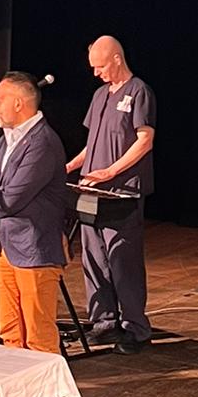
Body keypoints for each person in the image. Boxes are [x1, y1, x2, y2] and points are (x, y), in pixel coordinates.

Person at [0, 71, 67, 354]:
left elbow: (12, 199)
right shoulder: (7, 139)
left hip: (34, 251)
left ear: (19, 103)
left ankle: (46, 396)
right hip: (6, 247)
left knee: (38, 333)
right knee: (9, 329)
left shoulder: (42, 143)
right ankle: (16, 393)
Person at [66, 35, 155, 351]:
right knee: (94, 257)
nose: (96, 72)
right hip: (92, 190)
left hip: (122, 191)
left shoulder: (139, 92)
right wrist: (68, 167)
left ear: (116, 58)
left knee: (123, 261)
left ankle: (135, 328)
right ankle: (104, 322)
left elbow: (145, 140)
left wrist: (111, 171)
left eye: (100, 65)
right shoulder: (100, 95)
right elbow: (93, 143)